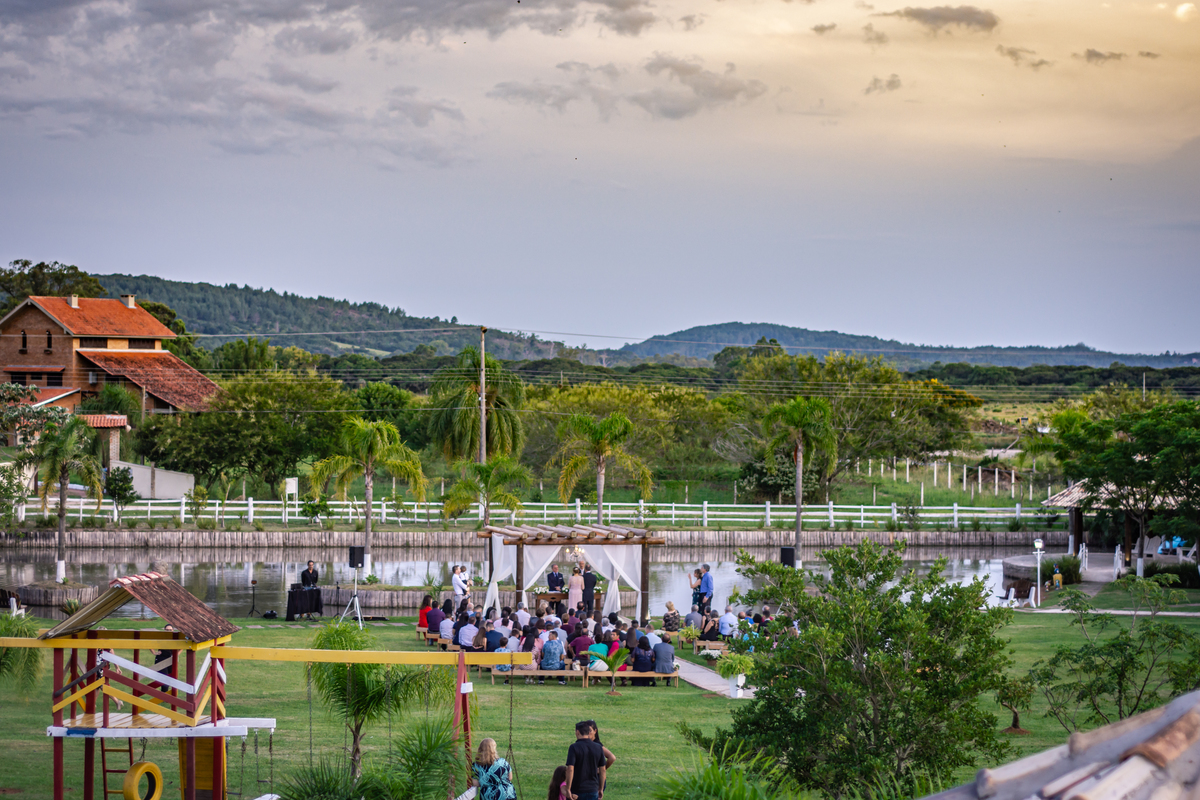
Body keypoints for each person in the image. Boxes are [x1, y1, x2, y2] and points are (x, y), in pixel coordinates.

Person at [565, 721, 607, 800]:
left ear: (577, 732)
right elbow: (603, 770)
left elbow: (570, 769)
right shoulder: (598, 747)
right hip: (593, 789)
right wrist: (601, 788)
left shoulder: (574, 747)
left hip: (577, 790)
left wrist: (568, 788)